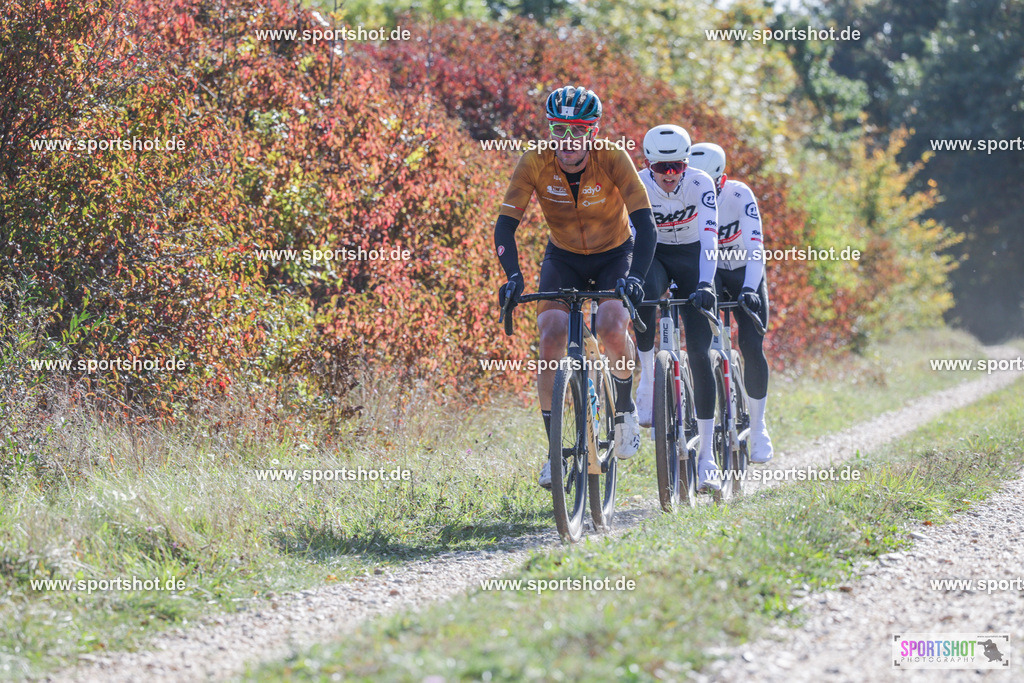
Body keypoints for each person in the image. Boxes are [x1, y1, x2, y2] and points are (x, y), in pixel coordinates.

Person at [493, 85, 658, 488]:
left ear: (594, 131)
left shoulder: (613, 157)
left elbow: (646, 226)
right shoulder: (535, 160)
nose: (567, 141)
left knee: (610, 327)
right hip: (563, 256)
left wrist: (635, 278)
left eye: (578, 131)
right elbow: (505, 226)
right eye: (558, 129)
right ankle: (553, 450)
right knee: (549, 336)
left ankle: (624, 408)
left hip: (614, 255)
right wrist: (512, 276)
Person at [633, 125, 722, 491]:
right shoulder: (637, 183)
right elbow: (632, 240)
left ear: (687, 164)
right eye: (662, 168)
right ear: (648, 164)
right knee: (642, 294)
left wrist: (704, 283)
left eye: (677, 167)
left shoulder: (700, 183)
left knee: (700, 352)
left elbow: (710, 237)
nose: (670, 176)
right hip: (654, 255)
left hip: (692, 257)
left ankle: (708, 459)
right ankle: (649, 380)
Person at [688, 142, 773, 463]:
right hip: (711, 273)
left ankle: (759, 425)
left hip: (743, 272)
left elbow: (756, 247)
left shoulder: (739, 194)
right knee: (702, 343)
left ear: (722, 177)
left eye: (715, 184)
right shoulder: (688, 189)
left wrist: (751, 288)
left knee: (751, 345)